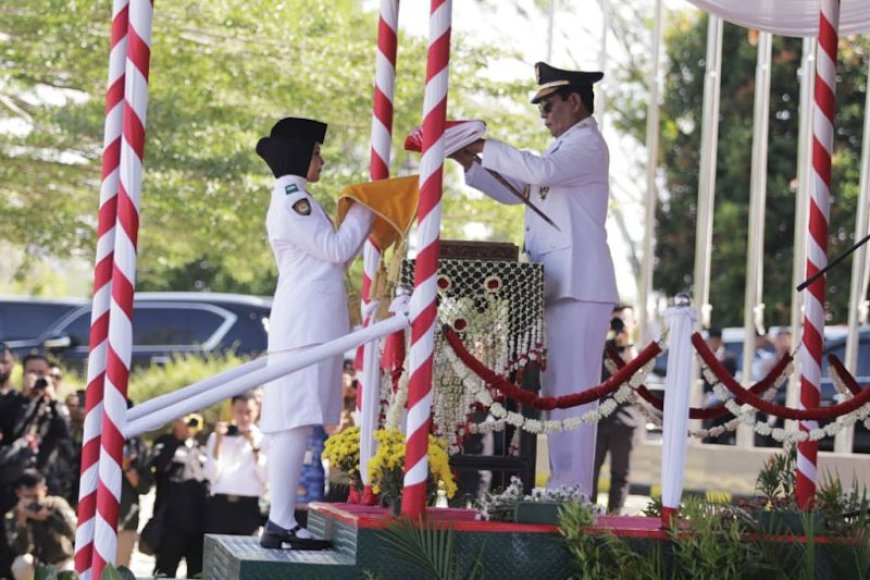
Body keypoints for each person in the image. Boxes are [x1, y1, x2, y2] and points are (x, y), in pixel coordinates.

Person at [450, 62, 618, 494]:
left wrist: (482, 143)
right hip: (557, 285)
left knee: (574, 392)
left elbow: (538, 174)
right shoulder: (561, 152)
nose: (543, 114)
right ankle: (564, 482)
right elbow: (517, 191)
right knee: (558, 390)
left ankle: (574, 487)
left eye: (548, 104)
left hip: (580, 285)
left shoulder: (586, 146)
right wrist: (471, 161)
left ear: (575, 100)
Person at [254, 116, 374, 549]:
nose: (320, 160)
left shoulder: (300, 197)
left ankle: (282, 519)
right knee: (292, 424)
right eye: (316, 152)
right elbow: (336, 249)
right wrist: (366, 207)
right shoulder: (292, 199)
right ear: (300, 156)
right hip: (304, 327)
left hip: (311, 326)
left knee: (299, 425)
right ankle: (280, 519)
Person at [593, 315, 643, 513]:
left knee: (620, 474)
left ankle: (614, 517)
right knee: (591, 471)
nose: (619, 325)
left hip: (624, 421)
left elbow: (637, 373)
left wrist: (627, 340)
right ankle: (586, 513)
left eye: (624, 320)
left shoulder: (634, 349)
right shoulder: (602, 347)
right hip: (598, 419)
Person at [149, 414, 208, 578]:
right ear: (176, 421)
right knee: (165, 571)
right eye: (186, 421)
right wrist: (177, 441)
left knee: (197, 572)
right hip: (170, 522)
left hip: (197, 523)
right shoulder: (164, 442)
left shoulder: (201, 447)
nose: (190, 426)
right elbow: (159, 466)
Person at [204, 392, 266, 536]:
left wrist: (254, 446)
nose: (244, 417)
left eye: (249, 412)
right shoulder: (216, 437)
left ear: (257, 411)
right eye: (239, 412)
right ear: (231, 410)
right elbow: (211, 475)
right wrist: (218, 442)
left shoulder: (263, 438)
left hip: (248, 506)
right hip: (220, 505)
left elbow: (266, 477)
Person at [5, 469, 77, 579]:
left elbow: (74, 532)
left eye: (36, 497)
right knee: (21, 564)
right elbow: (21, 550)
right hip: (35, 567)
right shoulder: (13, 515)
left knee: (70, 571)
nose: (33, 502)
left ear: (44, 490)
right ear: (18, 493)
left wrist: (49, 518)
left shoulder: (56, 504)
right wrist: (22, 522)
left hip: (61, 562)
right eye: (28, 497)